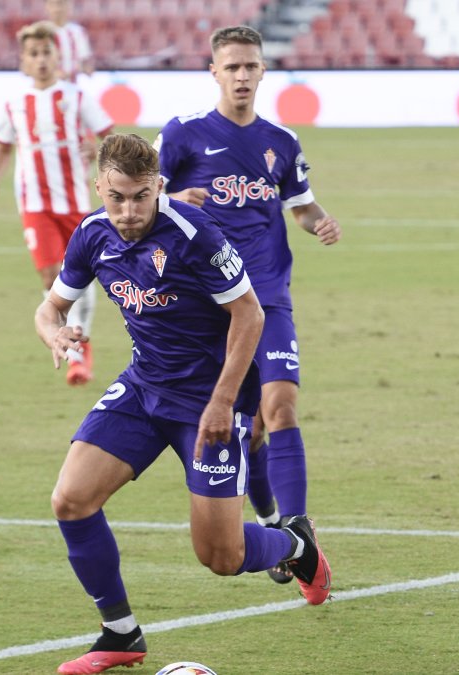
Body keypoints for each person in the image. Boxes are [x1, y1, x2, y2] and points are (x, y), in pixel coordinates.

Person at [38, 133, 332, 675]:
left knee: (221, 558)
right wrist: (55, 332)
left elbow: (250, 315)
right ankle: (121, 634)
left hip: (209, 401)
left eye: (142, 197)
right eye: (117, 197)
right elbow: (50, 306)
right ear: (100, 186)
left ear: (159, 188)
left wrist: (223, 404)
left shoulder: (194, 235)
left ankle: (295, 544)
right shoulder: (91, 233)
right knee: (70, 500)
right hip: (144, 387)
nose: (129, 211)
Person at [154, 25, 342, 585]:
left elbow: (301, 207)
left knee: (280, 405)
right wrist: (170, 200)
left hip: (269, 294)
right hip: (208, 304)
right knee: (249, 430)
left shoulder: (281, 141)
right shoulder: (184, 135)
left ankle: (299, 529)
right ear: (213, 71)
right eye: (231, 66)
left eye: (250, 66)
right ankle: (269, 526)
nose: (241, 75)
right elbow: (140, 203)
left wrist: (319, 223)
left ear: (263, 72)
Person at [0, 20, 113, 386]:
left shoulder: (76, 97)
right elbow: (3, 144)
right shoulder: (14, 103)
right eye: (33, 54)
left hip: (74, 200)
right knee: (49, 275)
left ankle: (80, 346)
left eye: (46, 53)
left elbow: (110, 136)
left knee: (79, 274)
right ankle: (68, 344)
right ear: (23, 62)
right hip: (34, 201)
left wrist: (97, 148)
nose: (41, 60)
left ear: (58, 57)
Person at [45, 0, 94, 84]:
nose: (57, 9)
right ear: (47, 7)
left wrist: (74, 71)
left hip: (71, 87)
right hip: (47, 87)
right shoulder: (41, 32)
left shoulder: (78, 32)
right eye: (53, 4)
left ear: (67, 6)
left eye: (60, 4)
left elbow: (86, 64)